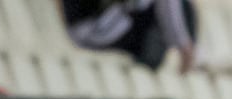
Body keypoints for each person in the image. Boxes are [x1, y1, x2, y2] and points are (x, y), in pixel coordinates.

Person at [61, 0, 199, 73]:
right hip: (93, 27)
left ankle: (181, 57)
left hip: (96, 26)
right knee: (182, 7)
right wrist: (184, 46)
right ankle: (157, 57)